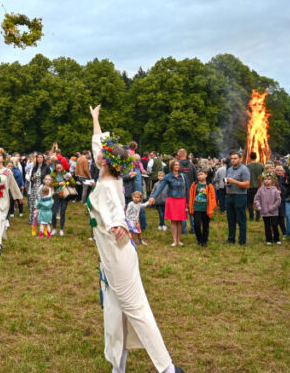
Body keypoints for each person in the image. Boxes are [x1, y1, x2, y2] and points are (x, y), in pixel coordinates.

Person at [87, 105, 184, 373]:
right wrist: (96, 119)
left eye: (101, 155)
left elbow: (117, 213)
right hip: (110, 259)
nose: (98, 155)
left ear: (105, 162)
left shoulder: (108, 186)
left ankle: (167, 368)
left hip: (119, 257)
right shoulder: (109, 175)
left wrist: (121, 226)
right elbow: (99, 144)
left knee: (136, 310)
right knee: (114, 314)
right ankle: (118, 366)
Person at [148, 159, 189, 247]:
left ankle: (179, 240)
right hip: (172, 200)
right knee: (173, 220)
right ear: (172, 167)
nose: (177, 166)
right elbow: (160, 188)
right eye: (175, 165)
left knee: (180, 220)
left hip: (182, 200)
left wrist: (188, 202)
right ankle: (174, 240)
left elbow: (187, 189)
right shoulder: (168, 177)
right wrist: (153, 197)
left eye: (178, 165)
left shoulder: (183, 176)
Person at [224, 152, 251, 246]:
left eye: (235, 158)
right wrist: (227, 183)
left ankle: (242, 240)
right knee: (231, 219)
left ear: (240, 159)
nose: (233, 160)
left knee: (241, 219)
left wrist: (234, 181)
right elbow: (228, 180)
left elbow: (247, 185)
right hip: (229, 195)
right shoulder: (229, 169)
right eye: (232, 158)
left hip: (240, 196)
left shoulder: (244, 169)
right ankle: (231, 238)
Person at [188, 168, 217, 247]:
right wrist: (191, 207)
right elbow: (191, 196)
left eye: (201, 174)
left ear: (206, 175)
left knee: (205, 225)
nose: (199, 176)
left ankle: (204, 240)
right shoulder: (194, 185)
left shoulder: (209, 185)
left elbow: (213, 198)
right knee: (196, 224)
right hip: (197, 208)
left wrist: (211, 208)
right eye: (198, 175)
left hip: (206, 209)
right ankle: (199, 239)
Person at [254, 172, 282, 245]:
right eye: (265, 179)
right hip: (264, 211)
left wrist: (273, 207)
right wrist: (259, 207)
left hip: (274, 212)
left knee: (274, 224)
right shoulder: (260, 190)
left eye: (269, 179)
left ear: (272, 181)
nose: (267, 181)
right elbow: (257, 199)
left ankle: (276, 238)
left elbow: (278, 200)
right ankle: (268, 239)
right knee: (267, 225)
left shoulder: (275, 190)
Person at [27, 153, 50, 235]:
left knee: (41, 205)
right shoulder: (34, 167)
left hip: (42, 188)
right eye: (38, 157)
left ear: (43, 158)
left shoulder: (46, 167)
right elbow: (30, 177)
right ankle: (32, 220)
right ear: (36, 158)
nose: (39, 158)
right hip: (34, 188)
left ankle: (42, 221)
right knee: (33, 203)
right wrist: (31, 179)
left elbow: (49, 177)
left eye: (41, 157)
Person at [51, 160, 73, 236]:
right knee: (54, 212)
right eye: (57, 168)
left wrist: (69, 179)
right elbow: (51, 183)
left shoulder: (66, 173)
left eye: (60, 168)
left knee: (62, 212)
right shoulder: (53, 174)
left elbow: (73, 183)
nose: (59, 170)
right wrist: (59, 183)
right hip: (56, 195)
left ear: (62, 167)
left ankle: (61, 229)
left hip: (64, 195)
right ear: (55, 168)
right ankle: (54, 228)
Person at [246, 152, 264, 221]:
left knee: (249, 202)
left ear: (250, 157)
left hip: (250, 186)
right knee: (258, 201)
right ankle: (258, 217)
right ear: (256, 157)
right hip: (259, 186)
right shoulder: (261, 165)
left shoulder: (248, 166)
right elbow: (263, 174)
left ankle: (251, 216)